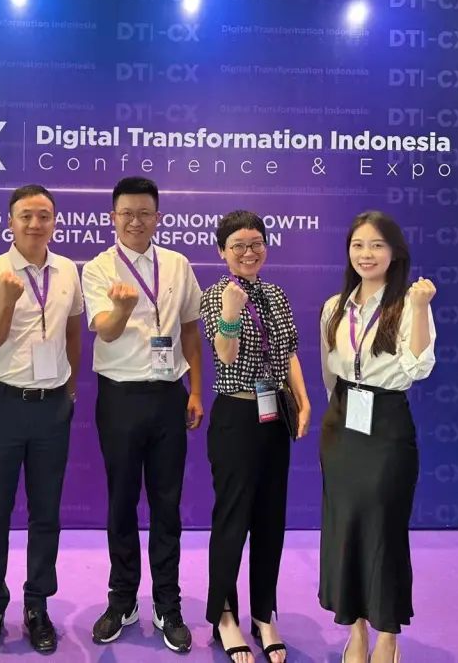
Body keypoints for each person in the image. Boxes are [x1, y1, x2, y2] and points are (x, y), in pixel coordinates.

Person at [80, 176, 203, 653]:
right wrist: (122, 308)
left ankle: (168, 604)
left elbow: (189, 330)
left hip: (169, 395)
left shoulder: (177, 264)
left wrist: (196, 390)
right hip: (120, 397)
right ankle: (123, 599)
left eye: (144, 213)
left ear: (158, 217)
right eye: (126, 213)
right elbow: (104, 331)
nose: (135, 221)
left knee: (168, 504)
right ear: (113, 217)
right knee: (122, 502)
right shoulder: (98, 268)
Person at [0, 184, 83, 656]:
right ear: (10, 222)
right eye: (26, 216)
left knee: (46, 511)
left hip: (52, 405)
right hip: (3, 404)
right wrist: (8, 299)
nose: (35, 224)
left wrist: (69, 387)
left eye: (44, 216)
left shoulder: (68, 270)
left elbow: (73, 329)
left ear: (54, 221)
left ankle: (37, 604)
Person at [319, 210, 437, 663]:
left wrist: (421, 308)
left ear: (394, 252)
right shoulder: (334, 307)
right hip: (342, 424)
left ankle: (387, 633)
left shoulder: (408, 304)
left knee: (384, 529)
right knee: (345, 529)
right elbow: (330, 370)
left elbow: (418, 368)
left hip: (386, 425)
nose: (366, 254)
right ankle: (357, 630)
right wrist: (335, 417)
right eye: (358, 245)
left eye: (376, 245)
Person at [200, 211, 312, 663]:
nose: (248, 252)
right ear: (222, 252)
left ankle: (264, 614)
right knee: (233, 519)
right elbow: (226, 356)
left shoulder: (276, 294)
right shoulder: (216, 295)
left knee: (270, 519)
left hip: (274, 415)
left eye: (256, 243)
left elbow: (289, 353)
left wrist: (303, 400)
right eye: (238, 246)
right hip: (236, 416)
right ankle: (224, 615)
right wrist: (230, 312)